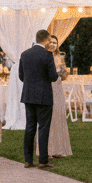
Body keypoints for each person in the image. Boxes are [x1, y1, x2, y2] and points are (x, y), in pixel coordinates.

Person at [19, 29, 58, 167]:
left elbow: (21, 76)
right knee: (43, 128)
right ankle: (42, 161)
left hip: (28, 95)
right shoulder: (47, 55)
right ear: (46, 39)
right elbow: (53, 77)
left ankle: (28, 160)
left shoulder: (24, 54)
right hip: (44, 96)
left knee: (29, 127)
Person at [38, 35, 72, 159]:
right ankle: (46, 150)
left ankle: (58, 149)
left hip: (57, 88)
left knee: (58, 117)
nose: (53, 44)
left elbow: (64, 75)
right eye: (50, 42)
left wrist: (62, 72)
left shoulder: (60, 57)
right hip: (46, 88)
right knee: (47, 118)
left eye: (55, 42)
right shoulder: (41, 56)